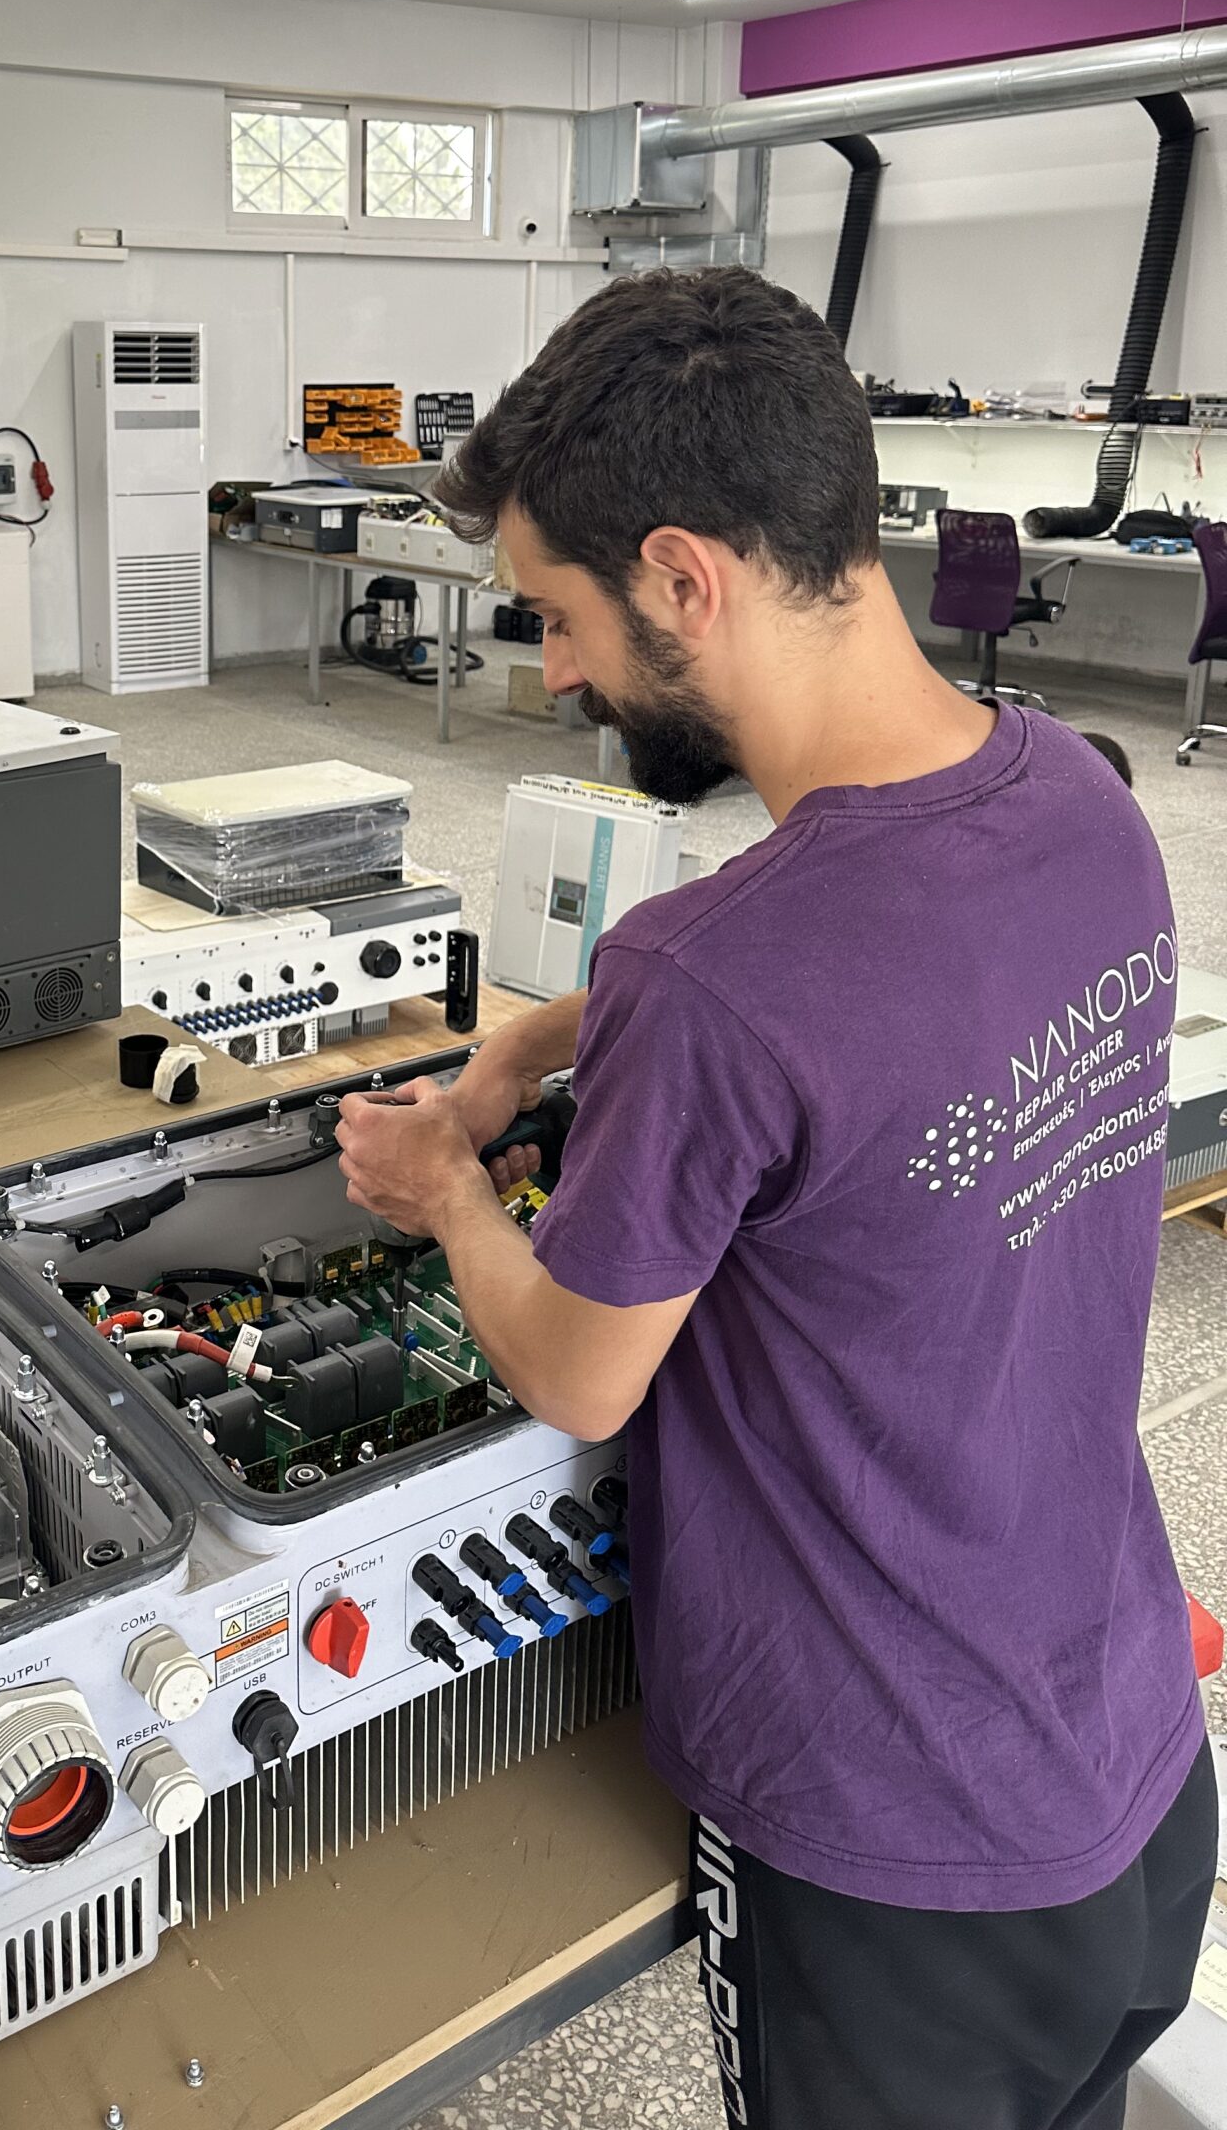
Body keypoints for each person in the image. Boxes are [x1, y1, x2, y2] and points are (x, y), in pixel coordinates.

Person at [334, 267, 1214, 2130]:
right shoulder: (1079, 799)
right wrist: (541, 1040)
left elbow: (580, 1373)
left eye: (555, 615)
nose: (552, 671)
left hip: (893, 1864)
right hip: (1132, 1773)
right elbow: (874, 1004)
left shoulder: (714, 976)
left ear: (680, 577)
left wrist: (449, 1186)